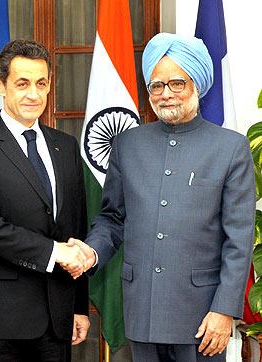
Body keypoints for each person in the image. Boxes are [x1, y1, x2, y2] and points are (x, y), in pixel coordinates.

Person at [67, 33, 255, 362]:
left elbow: (238, 240)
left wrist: (224, 310)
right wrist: (92, 251)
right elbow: (113, 218)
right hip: (142, 310)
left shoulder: (231, 148)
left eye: (176, 83)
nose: (165, 94)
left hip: (202, 318)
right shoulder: (128, 145)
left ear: (197, 84)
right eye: (156, 85)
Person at [0, 39, 90, 362]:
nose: (33, 94)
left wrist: (79, 307)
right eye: (22, 83)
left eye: (41, 84)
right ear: (1, 85)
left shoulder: (66, 147)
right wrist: (56, 252)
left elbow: (75, 229)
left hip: (57, 322)